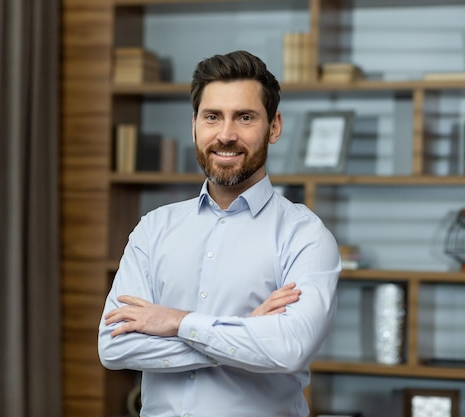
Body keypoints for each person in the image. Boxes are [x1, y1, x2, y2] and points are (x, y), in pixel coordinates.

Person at [98, 50, 341, 417]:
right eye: (212, 117)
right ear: (194, 124)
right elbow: (114, 348)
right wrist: (245, 333)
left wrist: (176, 322)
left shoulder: (304, 235)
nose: (226, 135)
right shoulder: (154, 228)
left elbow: (289, 349)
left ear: (274, 127)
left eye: (245, 117)